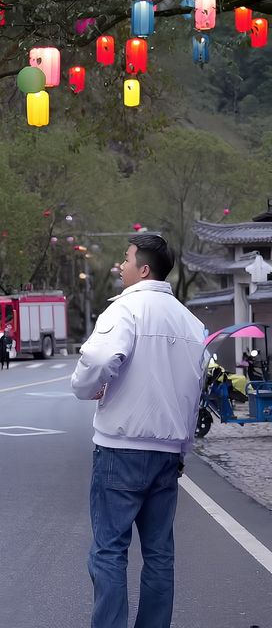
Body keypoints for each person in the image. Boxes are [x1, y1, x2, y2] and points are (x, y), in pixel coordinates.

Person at [71, 233, 206, 628]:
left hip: (120, 447)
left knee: (110, 550)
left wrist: (88, 388)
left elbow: (97, 359)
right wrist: (184, 448)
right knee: (160, 553)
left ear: (143, 268)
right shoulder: (191, 322)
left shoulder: (125, 310)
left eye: (126, 258)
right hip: (168, 453)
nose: (120, 264)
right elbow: (193, 393)